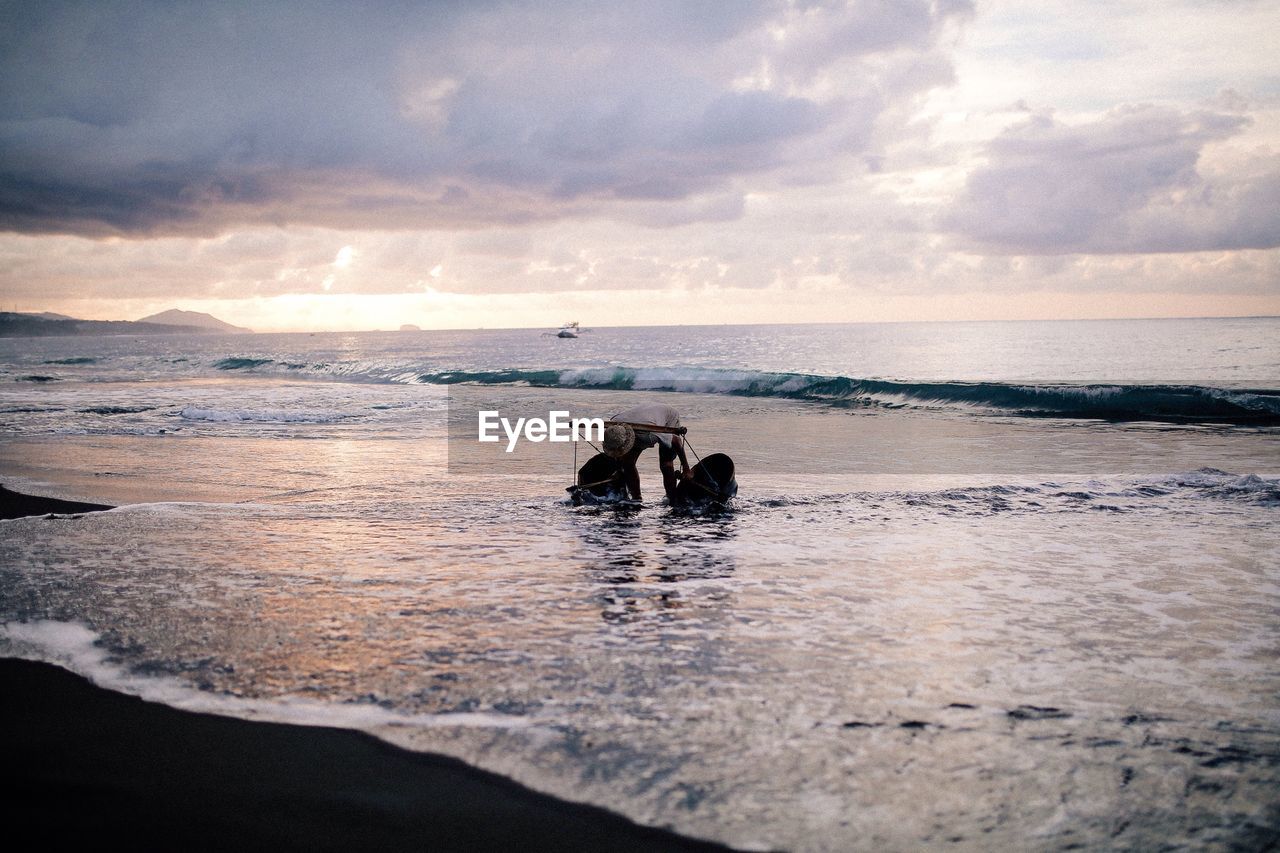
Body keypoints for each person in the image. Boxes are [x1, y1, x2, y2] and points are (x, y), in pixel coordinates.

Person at [601, 402, 692, 502]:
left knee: (666, 464)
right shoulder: (614, 427)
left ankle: (671, 497)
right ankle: (637, 498)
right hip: (643, 417)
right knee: (627, 463)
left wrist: (686, 468)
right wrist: (619, 469)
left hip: (667, 418)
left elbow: (676, 441)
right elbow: (617, 449)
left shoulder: (649, 436)